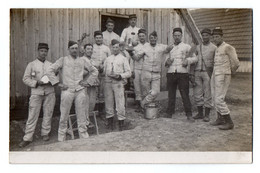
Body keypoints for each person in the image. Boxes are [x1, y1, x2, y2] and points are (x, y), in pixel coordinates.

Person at [47, 41, 98, 141]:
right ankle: (61, 135)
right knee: (64, 113)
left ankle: (83, 134)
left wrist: (87, 82)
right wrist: (57, 83)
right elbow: (50, 70)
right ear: (68, 49)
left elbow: (94, 71)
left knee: (81, 114)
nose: (74, 50)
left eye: (76, 48)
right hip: (67, 90)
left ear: (78, 49)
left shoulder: (82, 60)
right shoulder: (63, 60)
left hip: (80, 90)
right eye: (72, 48)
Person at [19, 43, 56, 148]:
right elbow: (25, 78)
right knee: (32, 115)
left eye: (45, 51)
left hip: (49, 92)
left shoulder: (51, 65)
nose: (43, 53)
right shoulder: (32, 64)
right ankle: (27, 137)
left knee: (48, 113)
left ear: (47, 52)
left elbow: (55, 78)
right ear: (38, 51)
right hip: (36, 93)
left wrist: (52, 81)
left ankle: (45, 133)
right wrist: (36, 83)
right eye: (42, 51)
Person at [129, 31, 173, 110]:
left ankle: (142, 104)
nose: (153, 39)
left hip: (156, 73)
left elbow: (169, 49)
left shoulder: (161, 47)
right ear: (149, 39)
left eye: (154, 38)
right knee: (146, 93)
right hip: (146, 72)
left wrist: (169, 55)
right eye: (151, 38)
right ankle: (147, 111)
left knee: (155, 92)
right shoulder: (145, 47)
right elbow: (136, 58)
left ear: (157, 38)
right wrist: (130, 53)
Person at [165, 28, 198, 122]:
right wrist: (167, 61)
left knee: (185, 95)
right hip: (171, 73)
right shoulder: (170, 47)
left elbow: (195, 58)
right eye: (175, 35)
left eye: (178, 35)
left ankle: (189, 114)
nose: (177, 37)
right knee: (171, 94)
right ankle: (169, 113)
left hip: (182, 73)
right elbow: (165, 62)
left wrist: (187, 61)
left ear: (181, 36)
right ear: (173, 36)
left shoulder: (187, 47)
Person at [210, 27, 240, 130]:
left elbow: (236, 62)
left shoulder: (228, 47)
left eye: (217, 37)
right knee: (214, 96)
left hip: (223, 75)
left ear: (222, 37)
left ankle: (229, 122)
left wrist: (231, 72)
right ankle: (220, 119)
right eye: (214, 37)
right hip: (216, 74)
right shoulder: (217, 48)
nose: (215, 39)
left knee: (219, 98)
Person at [103, 39, 131, 131]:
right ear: (111, 48)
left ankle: (121, 123)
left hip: (118, 83)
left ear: (120, 48)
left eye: (117, 47)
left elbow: (129, 73)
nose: (115, 49)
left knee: (120, 102)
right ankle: (110, 123)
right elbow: (104, 71)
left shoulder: (123, 59)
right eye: (113, 47)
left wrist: (120, 76)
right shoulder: (107, 59)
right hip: (108, 82)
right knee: (108, 102)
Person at [193, 28, 217, 122]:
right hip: (197, 72)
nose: (205, 37)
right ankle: (200, 113)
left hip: (208, 72)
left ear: (210, 36)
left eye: (207, 35)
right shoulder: (198, 47)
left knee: (208, 93)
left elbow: (216, 61)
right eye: (203, 35)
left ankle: (207, 115)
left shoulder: (214, 48)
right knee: (197, 93)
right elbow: (193, 59)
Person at [81, 43, 99, 128]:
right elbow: (80, 73)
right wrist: (87, 72)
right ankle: (84, 123)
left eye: (91, 49)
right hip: (84, 85)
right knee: (85, 104)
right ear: (84, 50)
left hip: (93, 85)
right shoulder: (81, 59)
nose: (90, 51)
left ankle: (87, 121)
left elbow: (96, 72)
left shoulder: (93, 60)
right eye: (88, 49)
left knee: (92, 104)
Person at [131, 28, 149, 112]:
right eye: (140, 36)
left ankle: (145, 104)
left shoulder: (149, 46)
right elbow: (132, 59)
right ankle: (138, 105)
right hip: (137, 69)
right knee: (137, 87)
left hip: (146, 69)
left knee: (145, 87)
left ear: (146, 36)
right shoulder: (136, 47)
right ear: (138, 37)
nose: (142, 37)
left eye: (143, 36)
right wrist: (132, 70)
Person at [92, 31, 111, 101]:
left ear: (102, 38)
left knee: (103, 88)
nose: (98, 39)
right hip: (94, 70)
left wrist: (104, 65)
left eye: (100, 38)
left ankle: (102, 105)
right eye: (97, 38)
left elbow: (109, 59)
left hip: (103, 71)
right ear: (94, 38)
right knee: (94, 88)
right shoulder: (92, 47)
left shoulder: (106, 48)